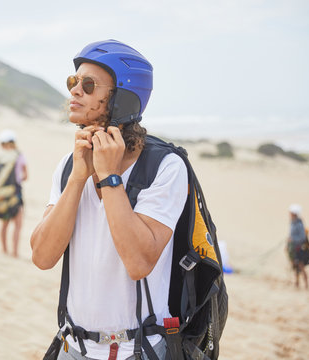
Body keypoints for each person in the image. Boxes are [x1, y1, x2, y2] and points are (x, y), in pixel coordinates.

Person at [30, 40, 188, 360]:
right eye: (74, 82)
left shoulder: (165, 167)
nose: (75, 91)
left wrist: (110, 178)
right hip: (72, 345)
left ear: (122, 98)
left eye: (88, 85)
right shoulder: (68, 166)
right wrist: (78, 178)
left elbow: (138, 262)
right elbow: (43, 256)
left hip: (136, 349)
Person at [0, 129, 27, 258]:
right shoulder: (20, 156)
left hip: (4, 193)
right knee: (18, 224)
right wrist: (16, 181)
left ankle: (4, 250)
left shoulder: (2, 157)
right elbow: (25, 175)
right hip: (16, 192)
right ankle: (15, 253)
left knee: (5, 223)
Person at [287, 204, 309, 289]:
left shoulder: (299, 224)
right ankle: (297, 282)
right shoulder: (293, 222)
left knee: (301, 265)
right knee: (295, 266)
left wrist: (293, 240)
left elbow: (302, 237)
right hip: (293, 248)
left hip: (298, 248)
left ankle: (306, 283)